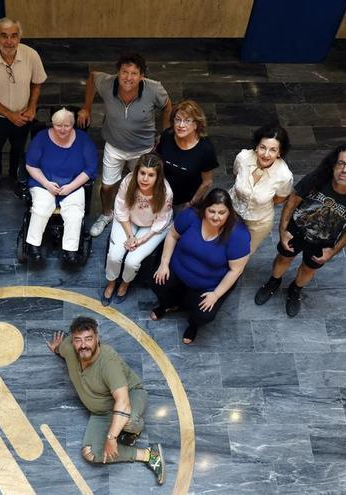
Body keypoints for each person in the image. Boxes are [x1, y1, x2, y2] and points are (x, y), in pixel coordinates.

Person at [254, 143, 346, 317]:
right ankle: (273, 282)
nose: (344, 170)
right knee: (283, 259)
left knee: (309, 269)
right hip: (297, 230)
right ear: (334, 164)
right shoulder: (316, 179)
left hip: (323, 241)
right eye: (341, 163)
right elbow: (293, 200)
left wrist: (332, 251)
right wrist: (283, 229)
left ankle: (295, 290)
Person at [46, 316, 165, 486]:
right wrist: (56, 348)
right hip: (101, 412)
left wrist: (111, 438)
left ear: (97, 338)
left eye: (88, 339)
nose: (83, 345)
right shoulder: (69, 348)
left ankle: (133, 429)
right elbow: (62, 348)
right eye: (78, 340)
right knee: (91, 453)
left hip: (130, 396)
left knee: (128, 420)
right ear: (72, 341)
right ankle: (149, 455)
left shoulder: (108, 362)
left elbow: (123, 402)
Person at [77, 52, 172, 238]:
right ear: (118, 73)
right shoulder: (106, 83)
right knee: (106, 186)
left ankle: (134, 215)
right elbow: (92, 77)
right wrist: (86, 106)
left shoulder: (154, 89)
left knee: (141, 185)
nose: (128, 78)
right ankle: (106, 214)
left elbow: (168, 106)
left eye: (134, 73)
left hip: (143, 149)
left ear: (141, 76)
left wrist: (166, 133)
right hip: (114, 145)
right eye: (124, 72)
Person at [151, 189, 251, 344]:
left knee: (204, 314)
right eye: (211, 211)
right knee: (157, 282)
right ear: (204, 208)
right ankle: (168, 305)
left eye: (221, 212)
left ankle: (193, 325)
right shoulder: (191, 216)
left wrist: (215, 295)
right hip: (178, 268)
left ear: (229, 212)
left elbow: (236, 270)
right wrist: (164, 264)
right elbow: (172, 235)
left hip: (209, 284)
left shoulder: (238, 235)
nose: (216, 217)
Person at [0, 17, 47, 196]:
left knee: (18, 149)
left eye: (14, 36)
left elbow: (37, 83)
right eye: (4, 36)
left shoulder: (31, 55)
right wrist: (9, 114)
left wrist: (32, 108)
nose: (9, 41)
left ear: (19, 37)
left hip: (23, 116)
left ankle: (15, 176)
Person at [24, 108, 98, 264]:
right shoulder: (41, 138)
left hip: (73, 184)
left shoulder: (83, 139)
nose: (62, 129)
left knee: (75, 213)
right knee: (42, 207)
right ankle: (33, 246)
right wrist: (46, 184)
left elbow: (90, 168)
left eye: (67, 125)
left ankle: (70, 250)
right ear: (52, 124)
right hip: (44, 182)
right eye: (58, 125)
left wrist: (71, 187)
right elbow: (30, 165)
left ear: (73, 125)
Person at [103, 154, 173, 306]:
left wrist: (141, 240)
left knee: (132, 261)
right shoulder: (128, 181)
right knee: (115, 255)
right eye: (142, 173)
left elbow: (161, 221)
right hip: (127, 220)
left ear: (158, 176)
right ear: (137, 172)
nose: (145, 179)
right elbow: (121, 209)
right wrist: (130, 236)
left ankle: (125, 283)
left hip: (152, 228)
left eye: (150, 175)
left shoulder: (166, 192)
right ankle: (111, 282)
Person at [229, 124, 294, 253]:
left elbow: (279, 199)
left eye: (273, 150)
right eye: (262, 148)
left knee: (242, 252)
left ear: (279, 152)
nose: (266, 154)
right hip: (231, 210)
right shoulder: (243, 157)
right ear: (256, 147)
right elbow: (236, 176)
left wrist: (257, 200)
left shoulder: (284, 176)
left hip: (258, 222)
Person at [155, 99, 218, 211]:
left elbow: (207, 182)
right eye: (178, 120)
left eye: (187, 121)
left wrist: (192, 203)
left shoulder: (205, 149)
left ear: (196, 125)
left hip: (186, 201)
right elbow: (158, 161)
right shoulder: (167, 136)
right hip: (162, 194)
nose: (181, 125)